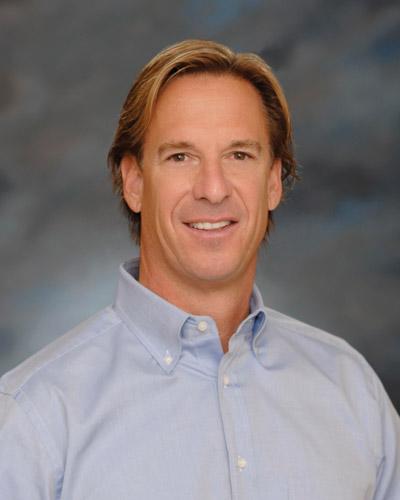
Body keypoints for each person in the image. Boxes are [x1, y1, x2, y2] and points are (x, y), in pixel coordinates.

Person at [0, 40, 399, 500]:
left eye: (239, 155)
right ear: (134, 182)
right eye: (180, 156)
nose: (213, 189)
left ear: (273, 181)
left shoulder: (351, 389)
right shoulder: (35, 416)